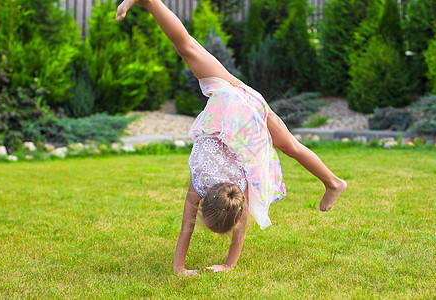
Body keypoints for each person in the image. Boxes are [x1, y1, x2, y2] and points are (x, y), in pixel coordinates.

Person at [115, 0, 347, 276]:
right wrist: (193, 266)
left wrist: (197, 266)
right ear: (205, 202)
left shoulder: (222, 180)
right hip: (238, 107)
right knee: (186, 47)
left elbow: (224, 220)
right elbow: (189, 218)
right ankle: (149, 1)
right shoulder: (222, 180)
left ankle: (334, 181)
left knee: (291, 147)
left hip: (245, 106)